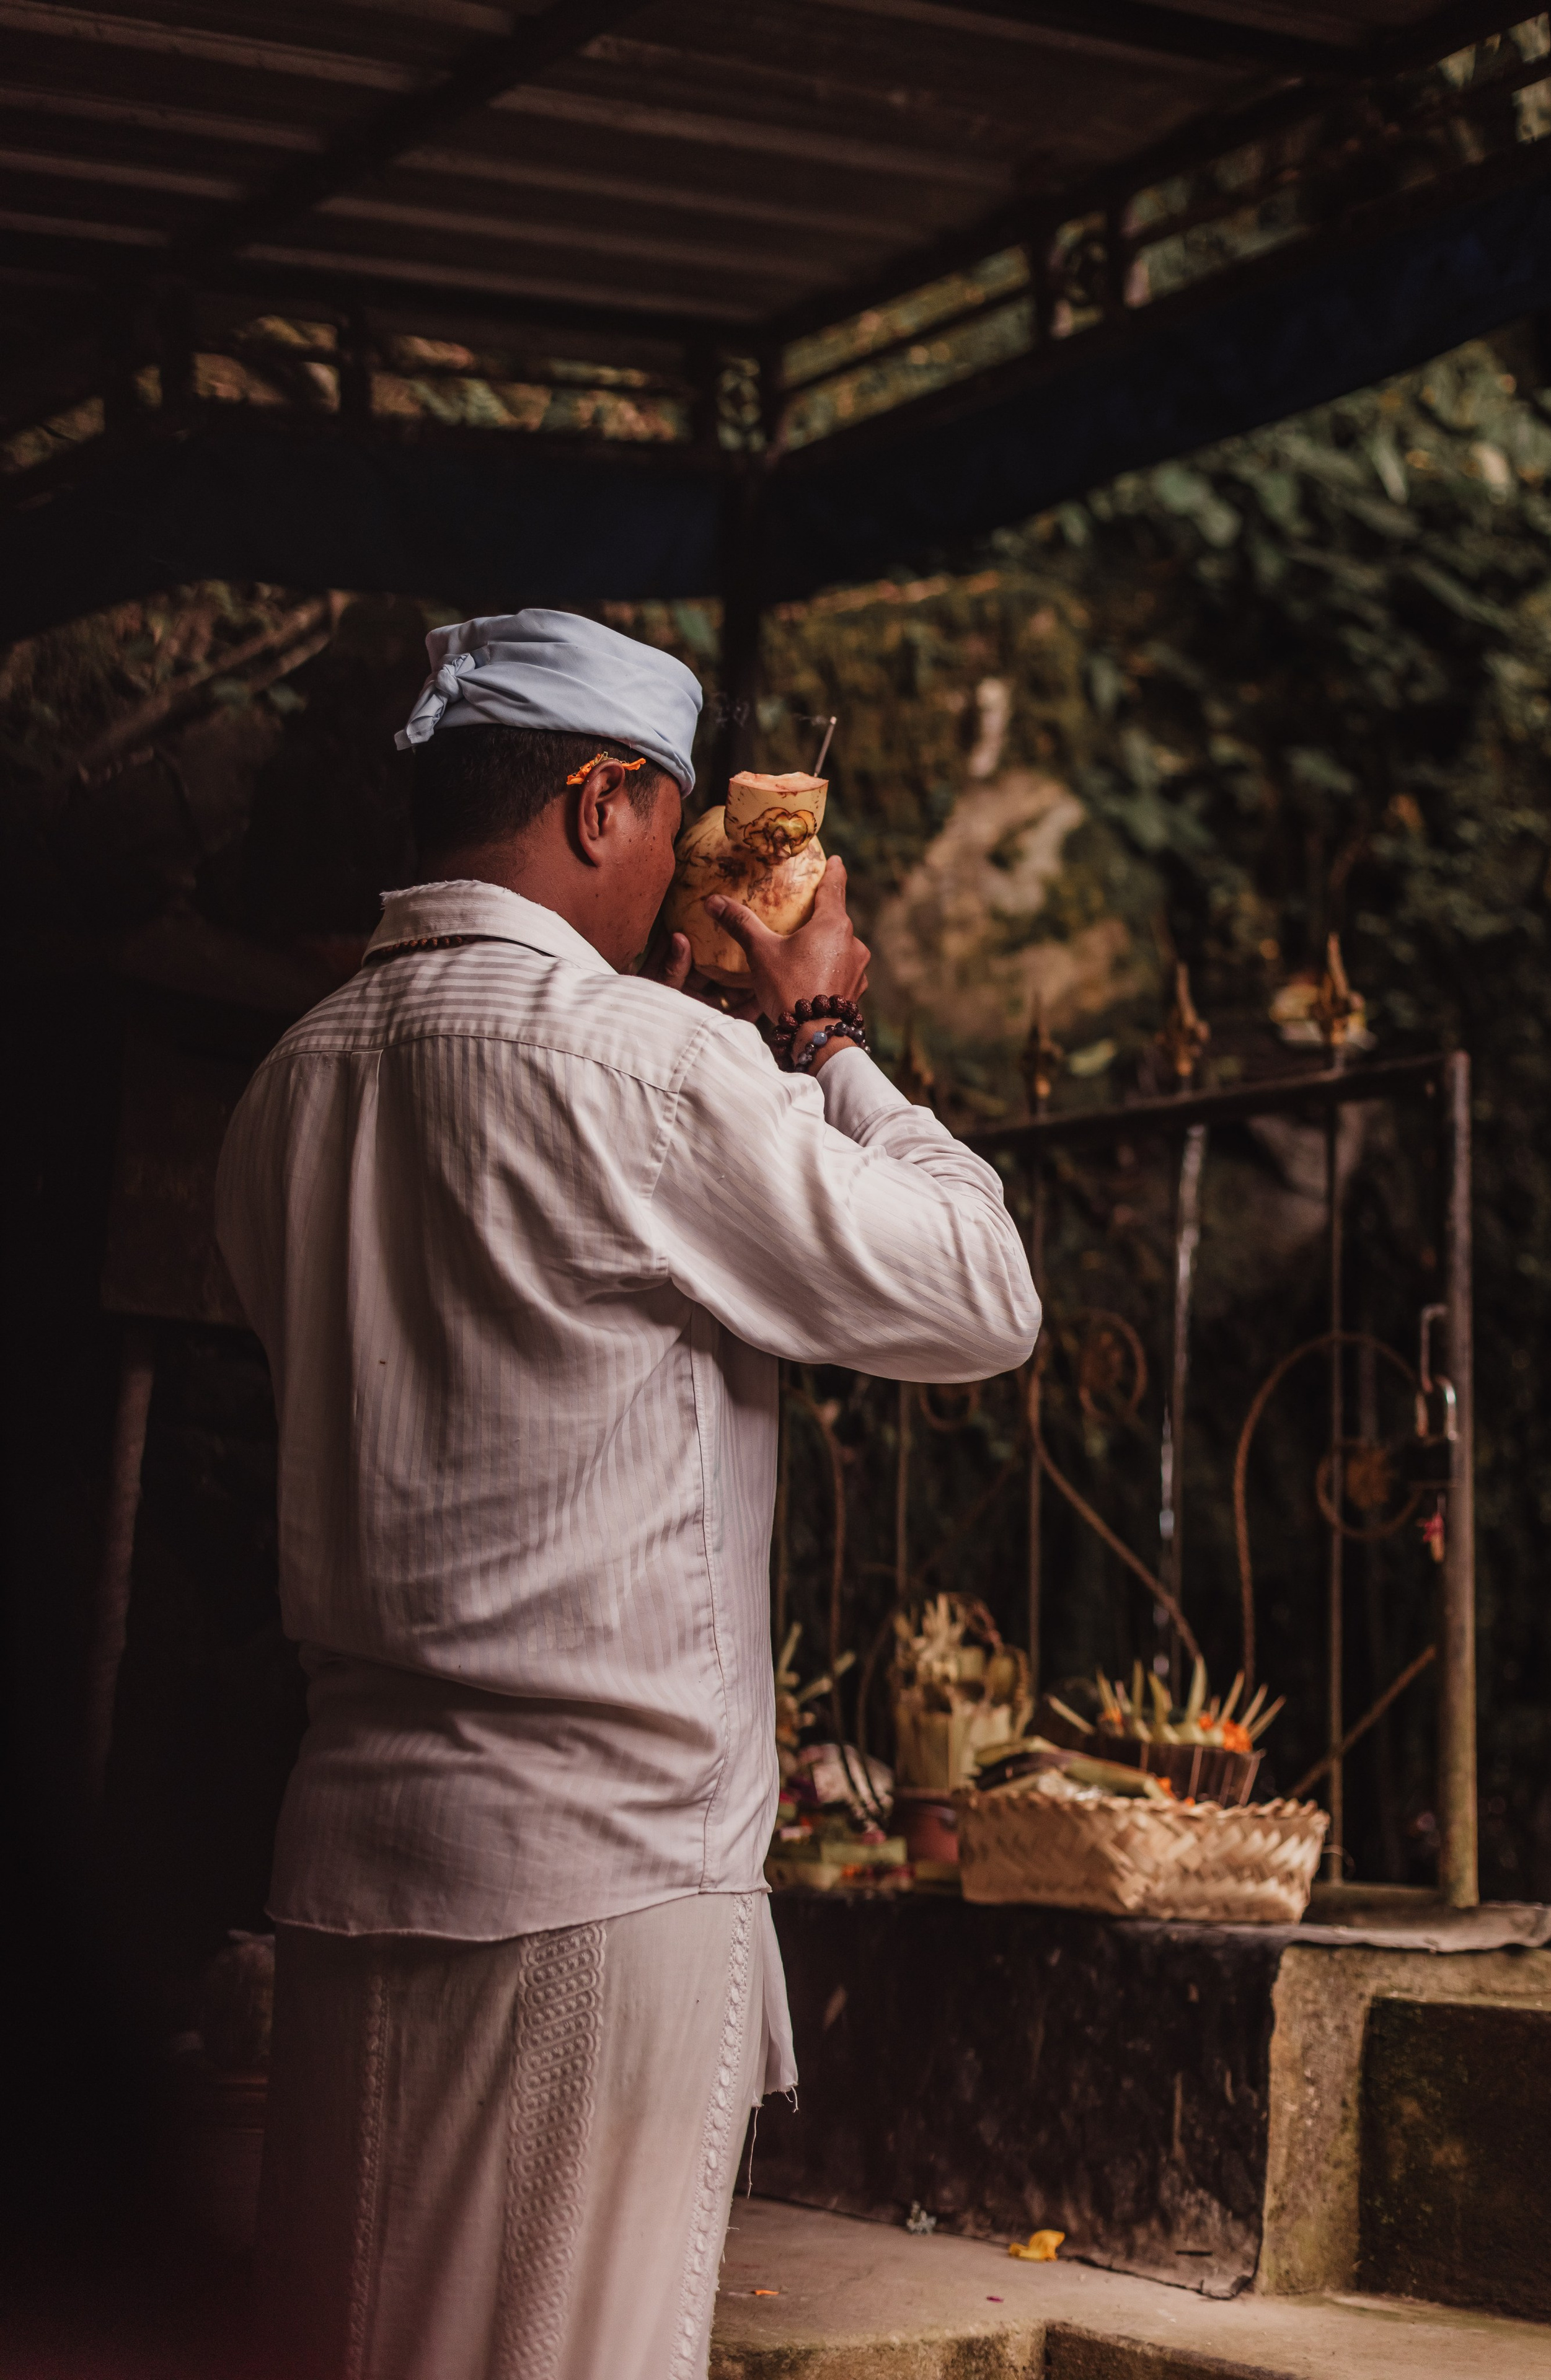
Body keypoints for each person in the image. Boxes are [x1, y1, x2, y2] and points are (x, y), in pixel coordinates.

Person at [216, 608, 1040, 2380]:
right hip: (601, 1881)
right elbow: (982, 1293)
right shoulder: (647, 1070)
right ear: (600, 801)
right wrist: (816, 1034)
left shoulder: (290, 1085)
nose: (678, 877)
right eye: (667, 825)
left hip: (357, 1865)